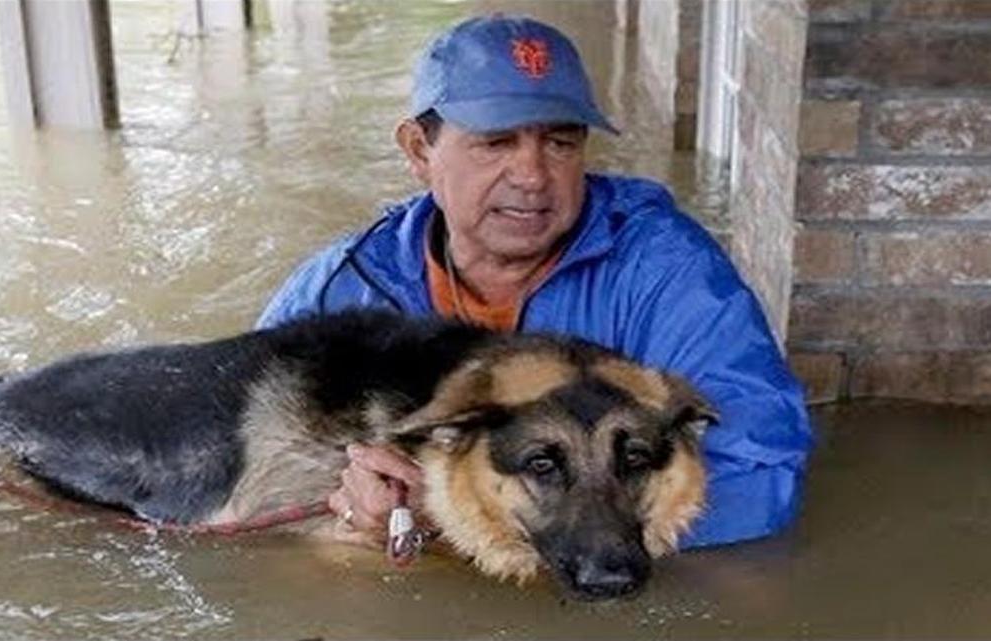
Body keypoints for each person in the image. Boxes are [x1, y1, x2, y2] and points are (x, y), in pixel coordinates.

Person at [256, 14, 812, 549]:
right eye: (496, 143)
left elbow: (761, 474)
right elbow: (242, 470)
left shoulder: (663, 270)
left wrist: (474, 522)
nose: (532, 176)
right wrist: (346, 509)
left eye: (560, 143)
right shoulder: (344, 288)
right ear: (419, 150)